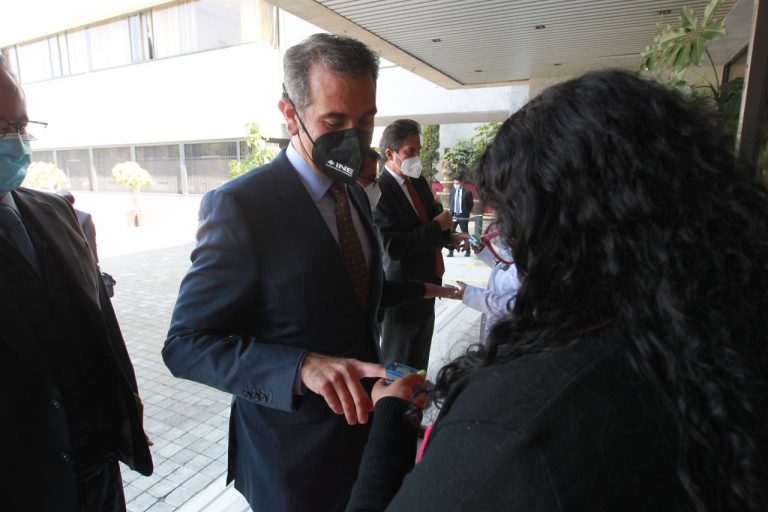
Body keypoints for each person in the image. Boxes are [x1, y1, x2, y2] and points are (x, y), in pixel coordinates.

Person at [345, 69, 768, 511]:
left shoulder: (513, 421)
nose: (502, 236)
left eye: (510, 217)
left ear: (555, 229)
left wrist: (390, 422)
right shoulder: (713, 342)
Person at [163, 33, 388, 512]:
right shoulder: (241, 206)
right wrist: (300, 366)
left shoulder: (354, 196)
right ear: (290, 114)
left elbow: (353, 296)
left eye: (365, 120)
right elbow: (185, 345)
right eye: (334, 120)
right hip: (292, 462)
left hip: (362, 442)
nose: (353, 137)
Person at [0, 56, 152, 511]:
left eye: (20, 125)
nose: (14, 141)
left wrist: (126, 408)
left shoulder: (54, 212)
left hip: (98, 469)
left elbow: (99, 325)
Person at [374, 119, 461, 370]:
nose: (416, 157)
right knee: (397, 369)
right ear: (390, 154)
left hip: (429, 286)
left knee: (419, 366)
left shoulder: (419, 182)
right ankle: (393, 410)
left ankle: (414, 408)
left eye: (419, 150)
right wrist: (437, 228)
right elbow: (393, 247)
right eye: (409, 151)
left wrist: (449, 237)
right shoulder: (380, 190)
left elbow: (429, 224)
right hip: (401, 295)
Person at [455, 225, 520, 343]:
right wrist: (484, 252)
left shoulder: (526, 267)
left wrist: (472, 295)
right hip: (496, 332)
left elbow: (512, 305)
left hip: (508, 338)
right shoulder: (513, 255)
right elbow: (502, 268)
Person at [447, 177, 473, 257]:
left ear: (462, 183)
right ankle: (451, 251)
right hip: (454, 216)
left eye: (457, 183)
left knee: (465, 233)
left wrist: (465, 213)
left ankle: (467, 250)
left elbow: (470, 204)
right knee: (450, 233)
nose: (456, 185)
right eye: (455, 183)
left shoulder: (467, 192)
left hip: (463, 216)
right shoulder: (452, 193)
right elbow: (451, 204)